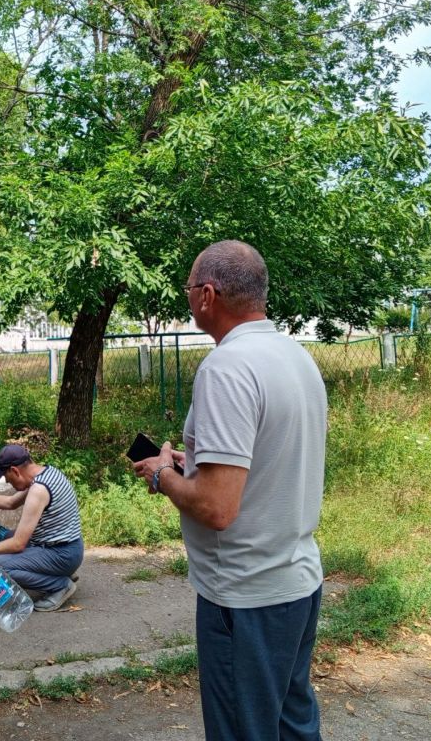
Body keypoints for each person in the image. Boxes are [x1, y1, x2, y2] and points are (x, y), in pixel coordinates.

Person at [133, 241, 327, 741]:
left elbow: (218, 508)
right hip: (297, 580)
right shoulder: (294, 356)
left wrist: (162, 475)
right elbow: (261, 458)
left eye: (188, 289)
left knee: (244, 730)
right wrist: (191, 463)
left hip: (244, 595)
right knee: (292, 723)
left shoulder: (226, 368)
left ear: (207, 295)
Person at [0, 443, 83, 612]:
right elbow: (10, 502)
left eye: (7, 477)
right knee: (5, 538)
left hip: (62, 555)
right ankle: (57, 573)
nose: (7, 482)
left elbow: (18, 544)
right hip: (69, 548)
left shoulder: (39, 490)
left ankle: (59, 585)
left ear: (15, 470)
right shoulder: (48, 473)